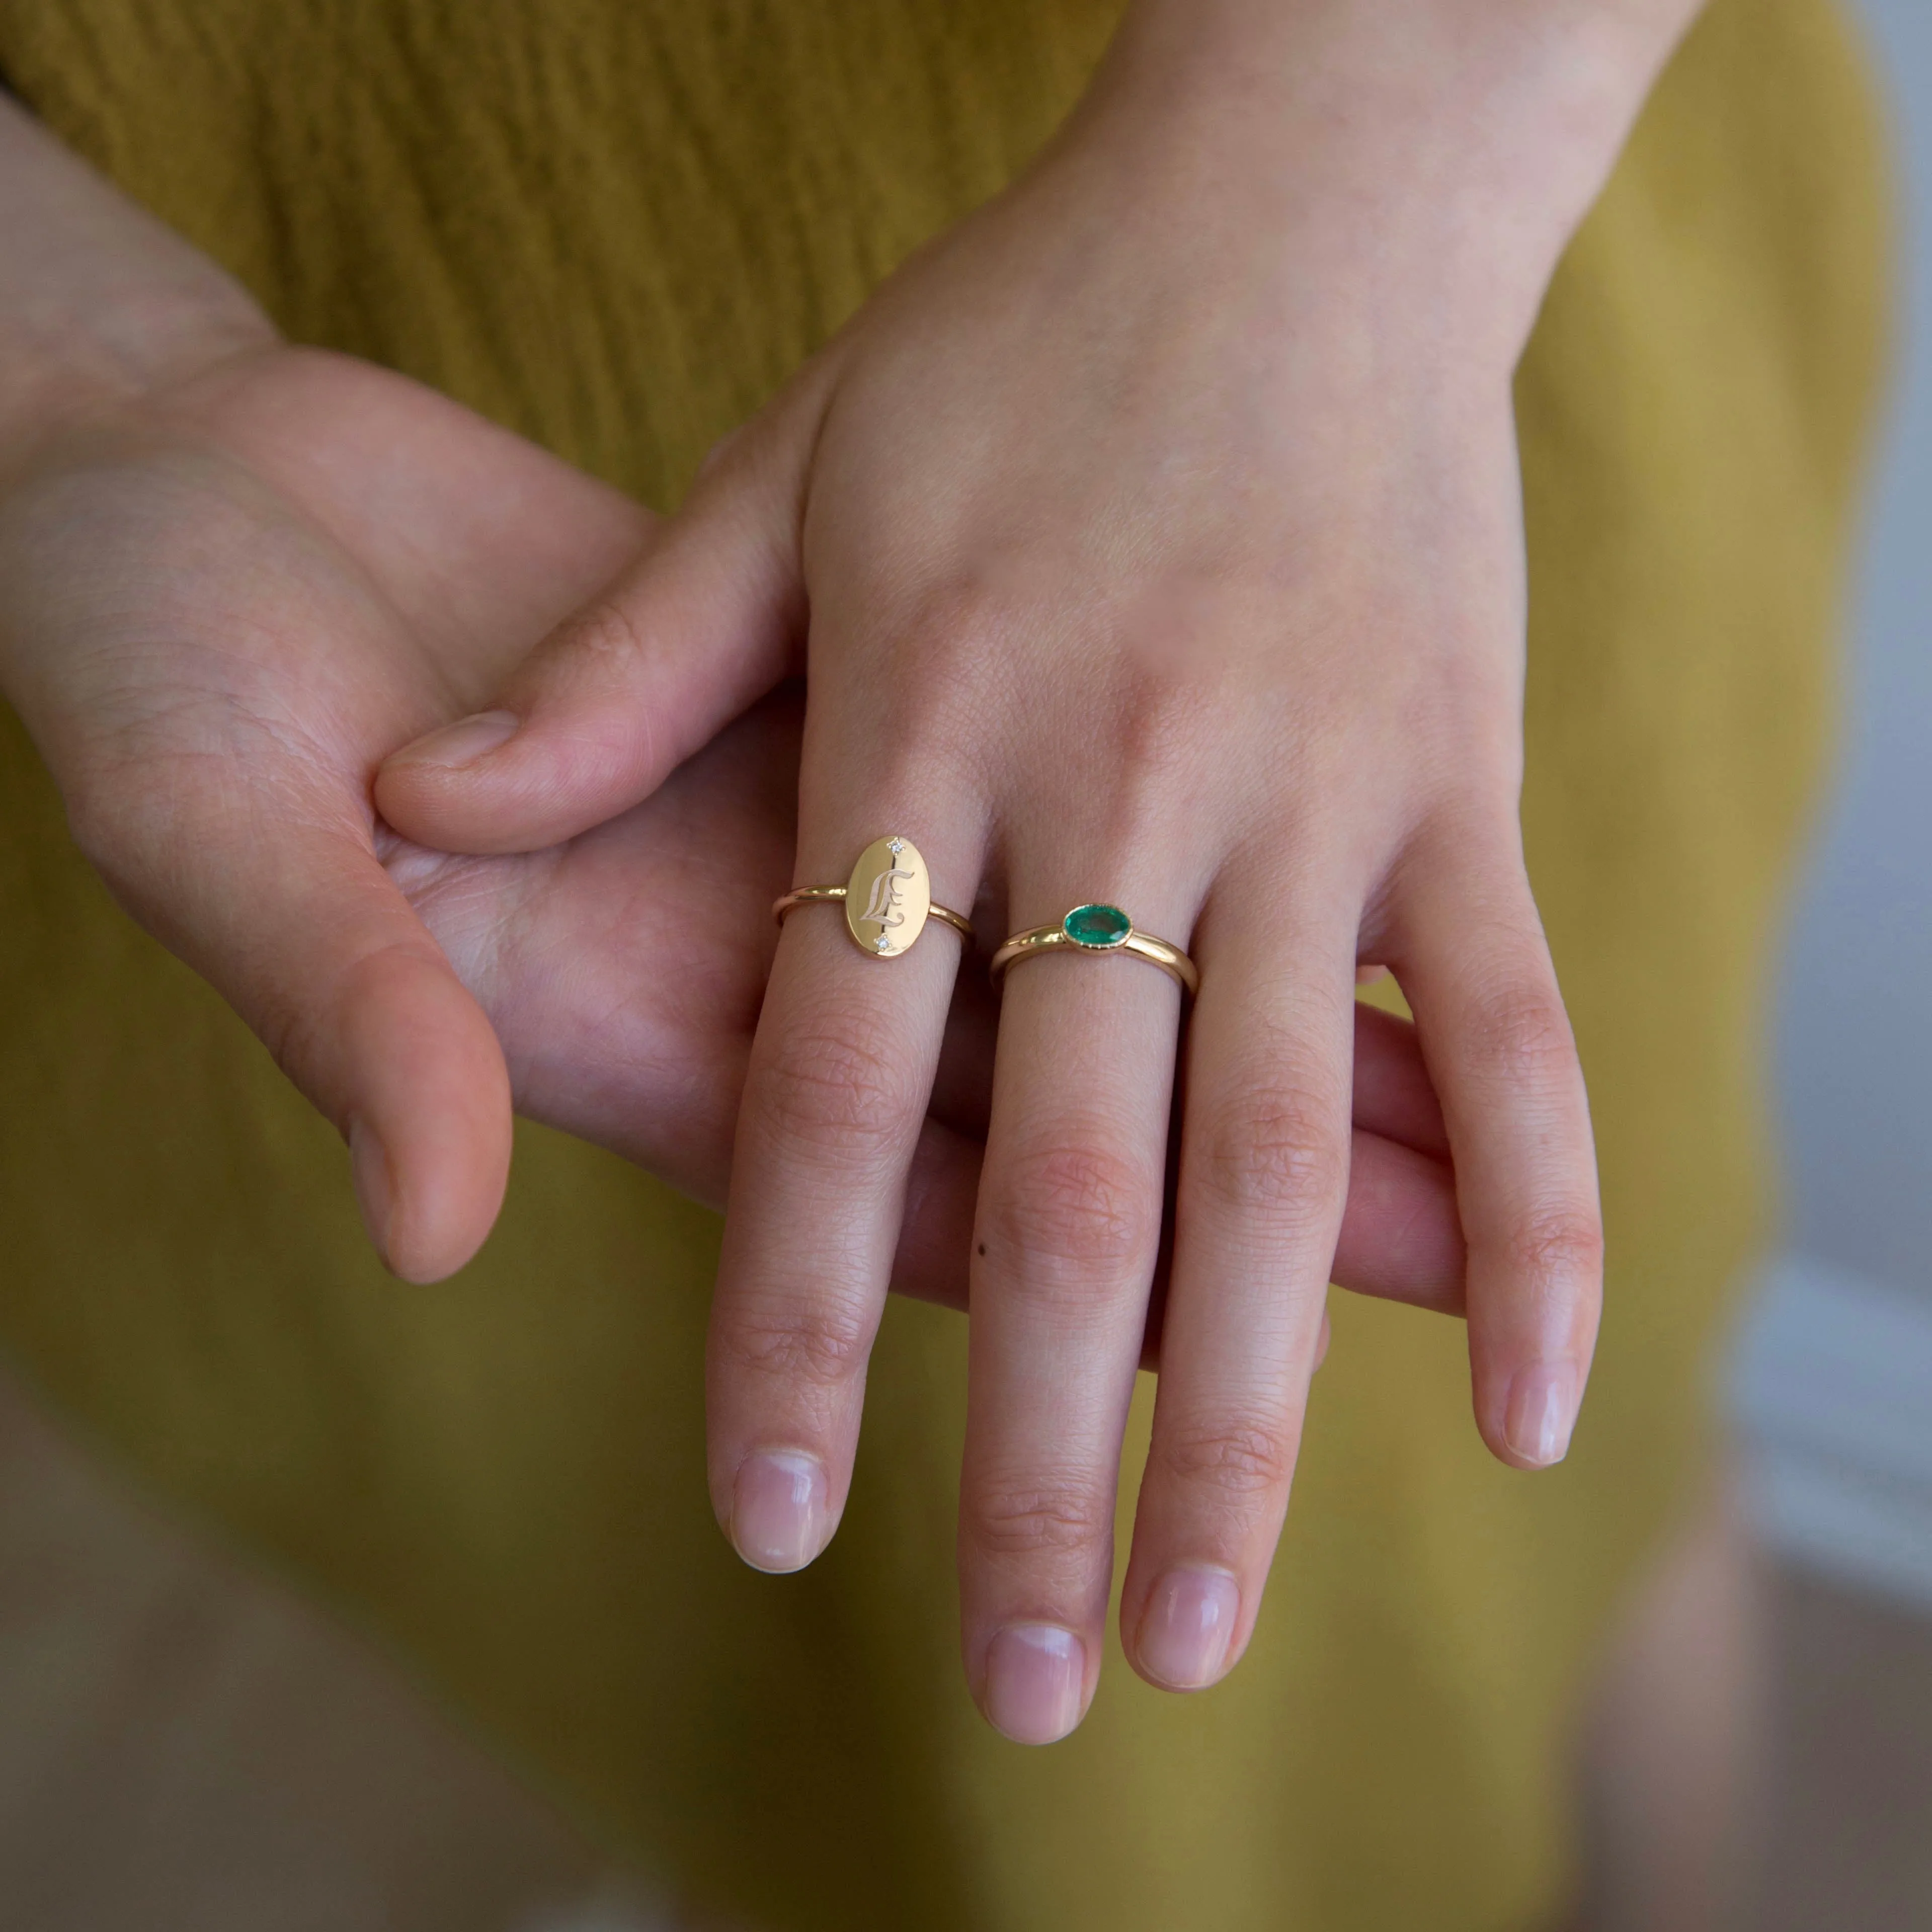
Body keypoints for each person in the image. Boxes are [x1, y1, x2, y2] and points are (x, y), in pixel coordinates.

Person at [0, 1, 1886, 1926]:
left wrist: (1319, 180)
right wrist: (72, 364)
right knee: (689, 1595)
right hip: (270, 588)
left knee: (1515, 1435)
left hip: (1354, 438)